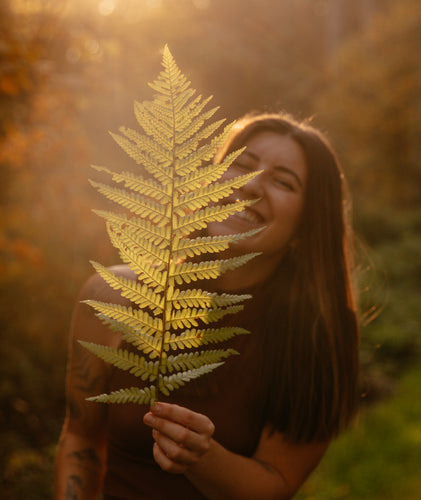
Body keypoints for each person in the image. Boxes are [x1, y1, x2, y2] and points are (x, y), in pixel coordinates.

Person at [54, 112, 360, 499]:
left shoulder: (317, 335)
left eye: (283, 182)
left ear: (306, 226)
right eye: (242, 165)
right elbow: (81, 438)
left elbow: (279, 483)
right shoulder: (111, 298)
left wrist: (202, 458)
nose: (251, 184)